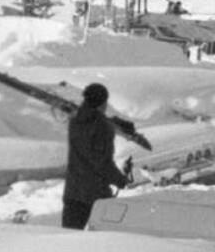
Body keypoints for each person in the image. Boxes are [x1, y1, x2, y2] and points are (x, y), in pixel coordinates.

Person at [61, 82, 154, 227]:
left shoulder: (75, 121)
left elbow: (88, 129)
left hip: (73, 192)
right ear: (103, 103)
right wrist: (120, 180)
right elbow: (102, 162)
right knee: (102, 237)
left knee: (69, 236)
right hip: (95, 195)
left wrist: (112, 121)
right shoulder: (102, 127)